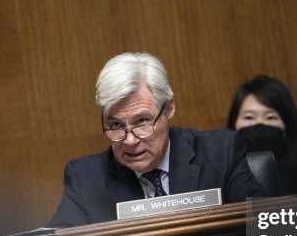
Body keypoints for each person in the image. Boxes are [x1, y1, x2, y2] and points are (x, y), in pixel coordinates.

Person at [48, 52, 265, 227]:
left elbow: (272, 232)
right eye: (115, 125)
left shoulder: (221, 153)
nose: (130, 141)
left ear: (169, 108)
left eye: (142, 121)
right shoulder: (85, 179)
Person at [227, 75, 297, 195]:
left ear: (287, 126)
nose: (259, 124)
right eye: (249, 117)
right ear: (233, 125)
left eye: (270, 117)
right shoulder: (223, 181)